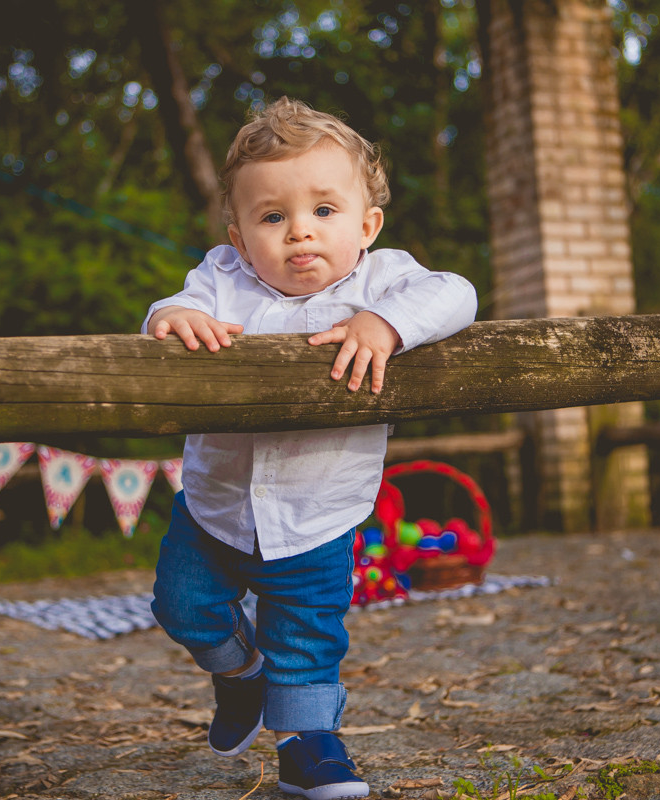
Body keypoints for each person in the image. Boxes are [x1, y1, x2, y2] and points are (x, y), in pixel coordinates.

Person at [142, 97, 477, 800]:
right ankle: (240, 679)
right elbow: (165, 312)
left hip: (319, 515)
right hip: (215, 509)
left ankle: (309, 746)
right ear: (238, 236)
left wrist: (385, 325)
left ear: (367, 223)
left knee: (306, 638)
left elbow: (458, 296)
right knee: (181, 605)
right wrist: (176, 315)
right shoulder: (222, 280)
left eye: (325, 211)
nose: (300, 233)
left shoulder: (385, 280)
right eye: (273, 217)